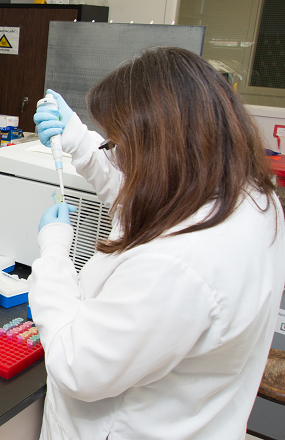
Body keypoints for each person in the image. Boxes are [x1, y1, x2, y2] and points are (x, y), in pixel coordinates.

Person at [31, 47, 285, 440]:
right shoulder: (250, 199)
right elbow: (152, 200)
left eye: (116, 144)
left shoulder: (179, 262)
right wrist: (80, 141)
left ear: (157, 148)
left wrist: (53, 254)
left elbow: (77, 365)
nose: (114, 156)